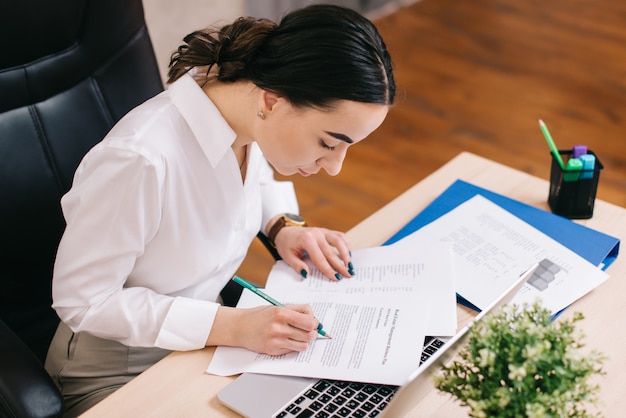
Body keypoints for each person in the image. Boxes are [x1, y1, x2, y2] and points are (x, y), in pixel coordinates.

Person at [44, 4, 395, 416]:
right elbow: (82, 301)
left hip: (204, 345)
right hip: (117, 374)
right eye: (328, 143)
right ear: (274, 101)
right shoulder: (141, 159)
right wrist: (231, 327)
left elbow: (253, 180)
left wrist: (283, 227)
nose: (335, 167)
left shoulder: (242, 111)